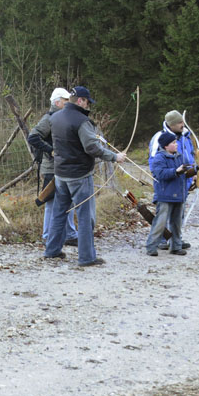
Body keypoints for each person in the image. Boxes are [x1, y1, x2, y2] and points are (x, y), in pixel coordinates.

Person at [43, 86, 126, 266]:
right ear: (80, 100)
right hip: (79, 175)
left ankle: (52, 250)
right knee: (85, 216)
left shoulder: (55, 117)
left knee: (59, 213)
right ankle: (87, 257)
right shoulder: (82, 121)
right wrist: (114, 157)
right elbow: (92, 148)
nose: (89, 106)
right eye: (87, 102)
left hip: (60, 174)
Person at [27, 87, 78, 246]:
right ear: (57, 102)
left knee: (68, 200)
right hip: (51, 168)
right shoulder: (49, 118)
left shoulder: (64, 118)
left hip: (64, 165)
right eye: (65, 101)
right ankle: (47, 236)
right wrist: (51, 150)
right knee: (50, 200)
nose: (68, 104)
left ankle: (70, 234)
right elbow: (33, 137)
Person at [148, 110, 195, 250]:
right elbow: (155, 163)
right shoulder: (160, 137)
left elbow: (190, 155)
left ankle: (176, 241)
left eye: (182, 121)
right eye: (180, 122)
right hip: (166, 182)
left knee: (178, 214)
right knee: (163, 215)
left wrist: (193, 174)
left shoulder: (186, 135)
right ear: (172, 124)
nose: (183, 124)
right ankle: (162, 240)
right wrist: (166, 175)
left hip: (182, 180)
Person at [146, 132, 189, 256]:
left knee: (176, 223)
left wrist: (194, 172)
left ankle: (176, 246)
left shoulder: (179, 157)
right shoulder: (159, 158)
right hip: (165, 196)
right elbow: (160, 174)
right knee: (160, 223)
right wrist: (176, 171)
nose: (176, 145)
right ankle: (151, 247)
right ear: (165, 146)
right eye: (173, 143)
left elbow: (183, 174)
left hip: (179, 196)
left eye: (176, 142)